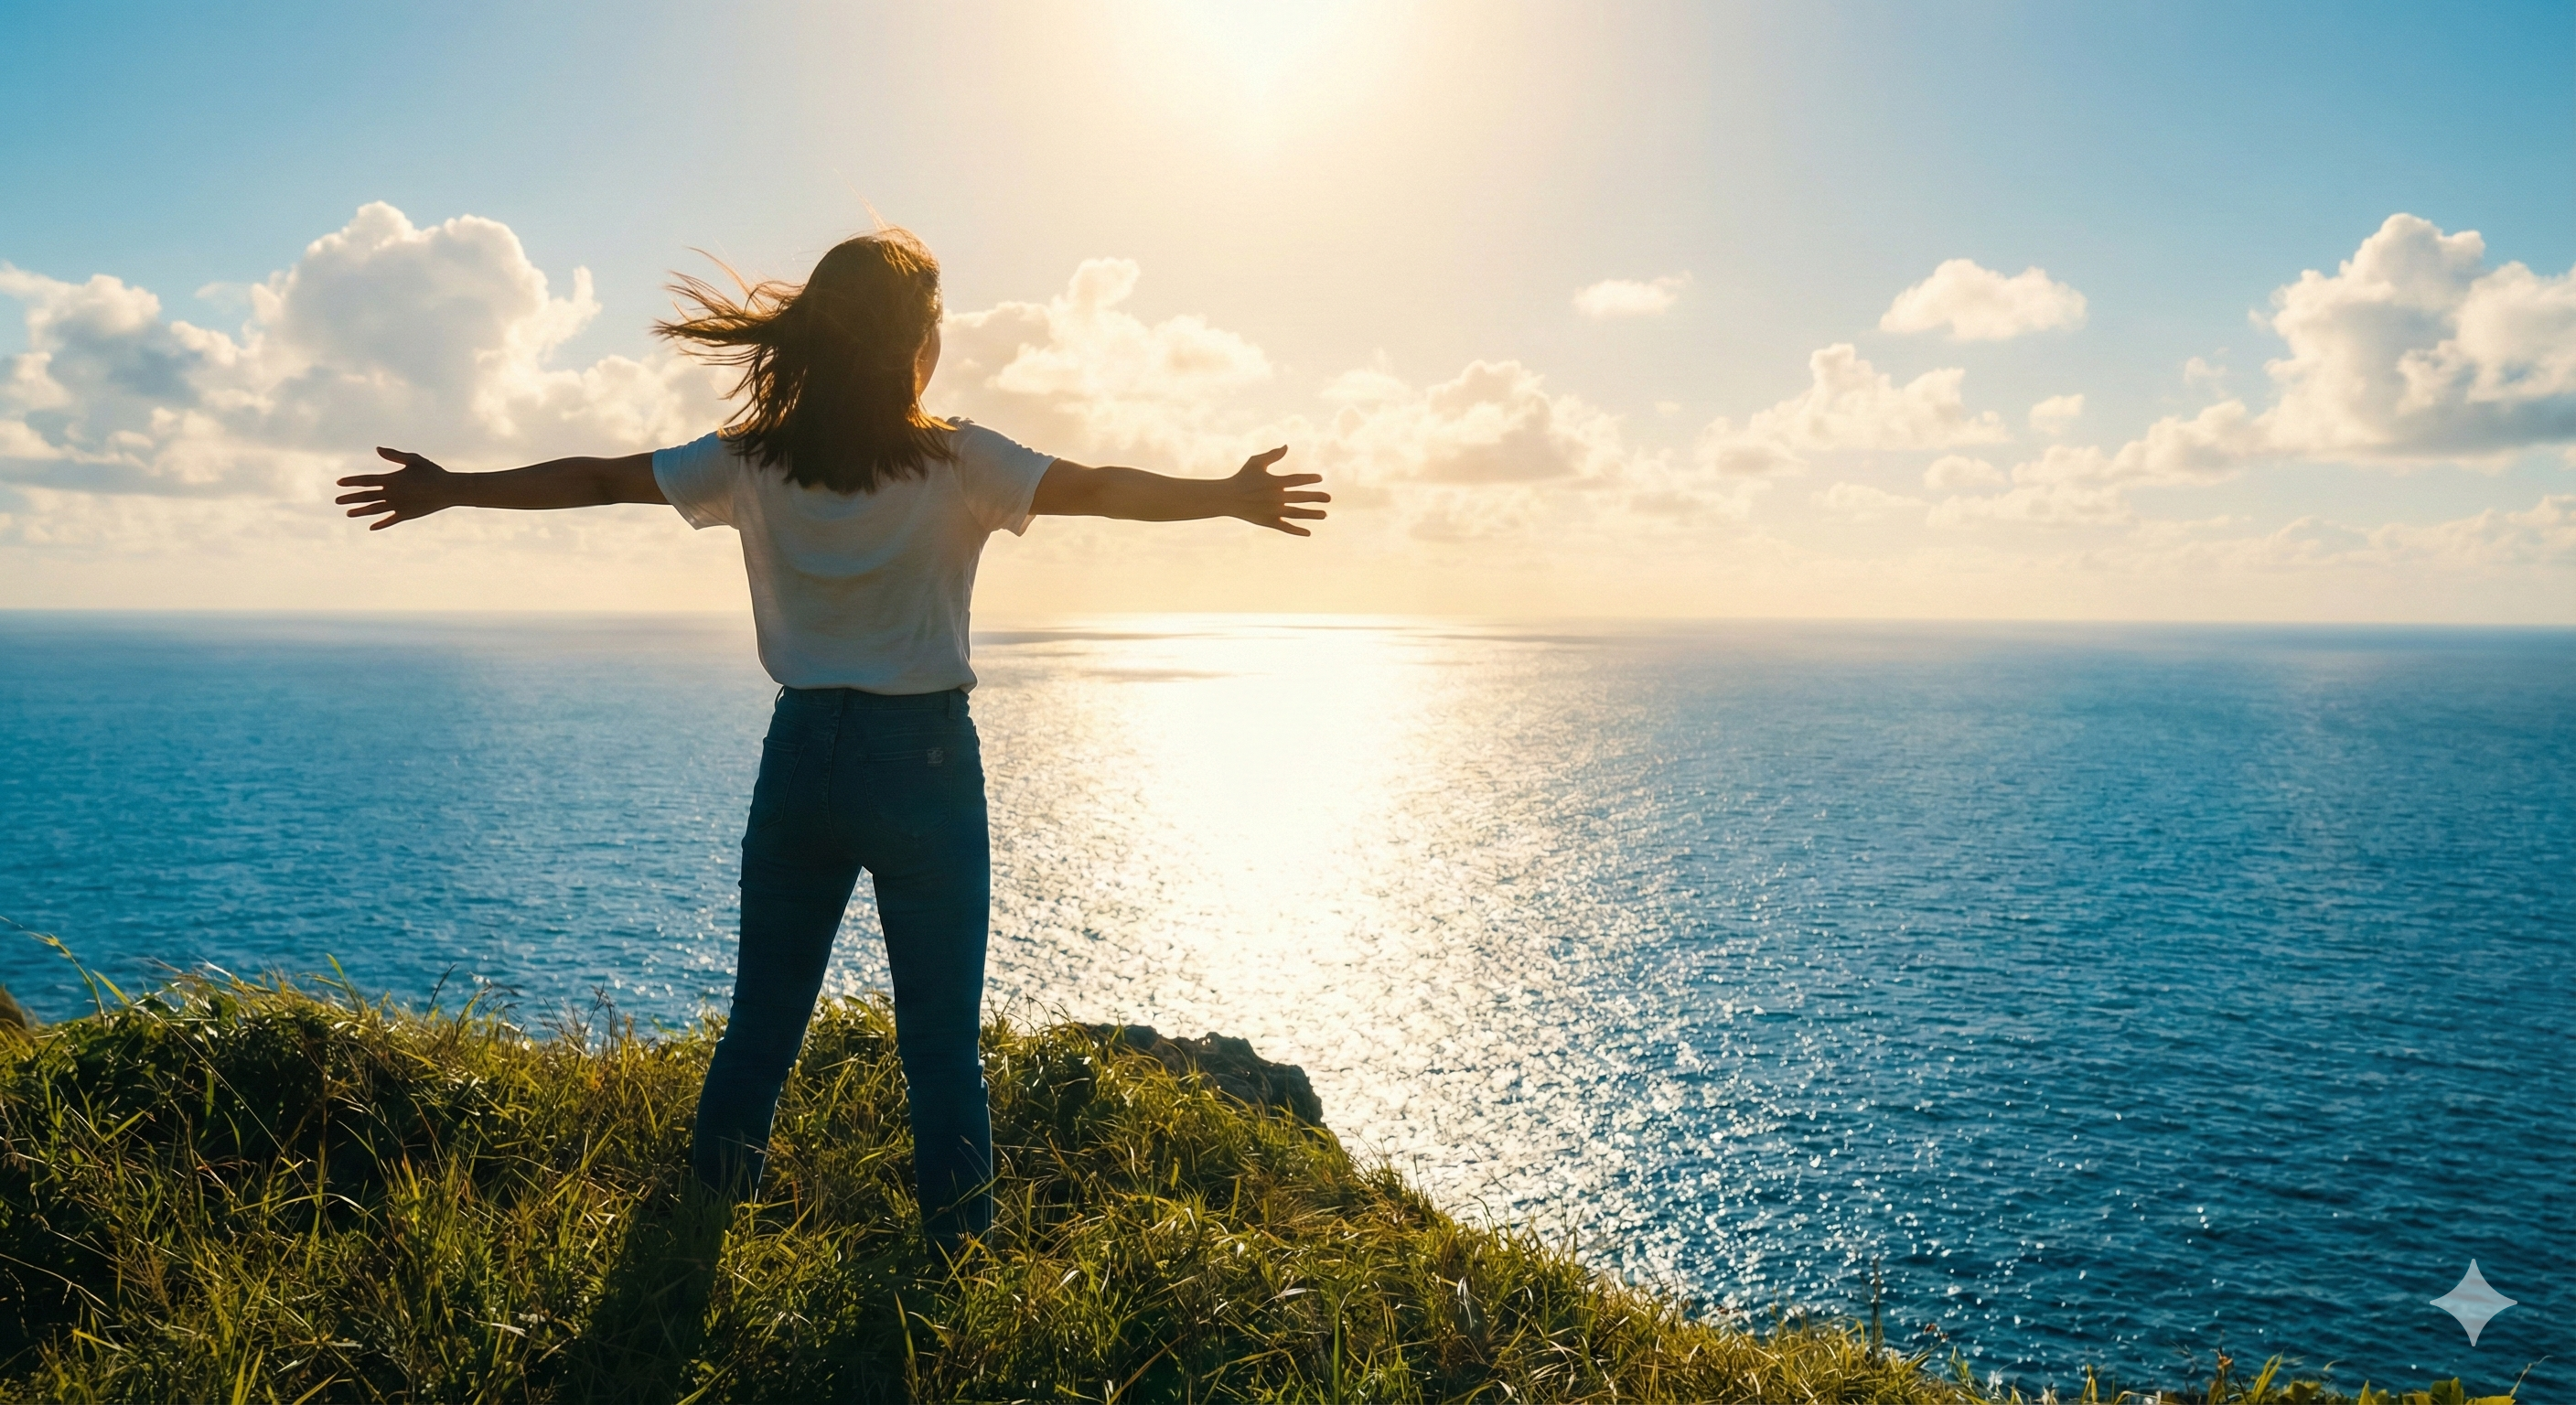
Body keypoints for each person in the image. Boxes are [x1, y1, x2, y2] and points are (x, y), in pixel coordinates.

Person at [335, 228, 1326, 1253]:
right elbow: (1103, 488)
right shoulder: (961, 458)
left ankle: (698, 1239)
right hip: (926, 763)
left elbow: (597, 479)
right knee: (941, 1052)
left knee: (759, 1034)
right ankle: (954, 1262)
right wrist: (1225, 495)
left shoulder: (753, 461)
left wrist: (452, 486)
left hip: (800, 755)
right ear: (911, 345)